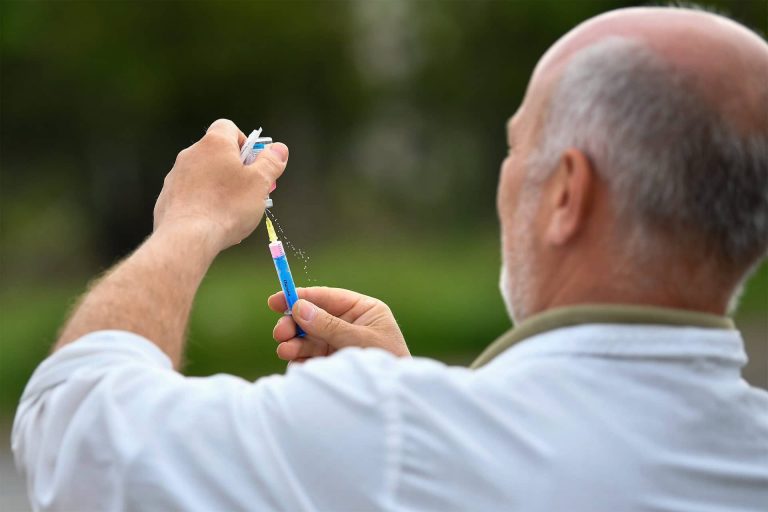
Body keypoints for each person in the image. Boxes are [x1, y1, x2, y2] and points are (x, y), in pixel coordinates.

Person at [12, 6, 768, 511]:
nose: (507, 176)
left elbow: (69, 439)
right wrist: (423, 397)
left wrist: (189, 223)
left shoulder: (392, 432)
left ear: (568, 192)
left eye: (516, 147)